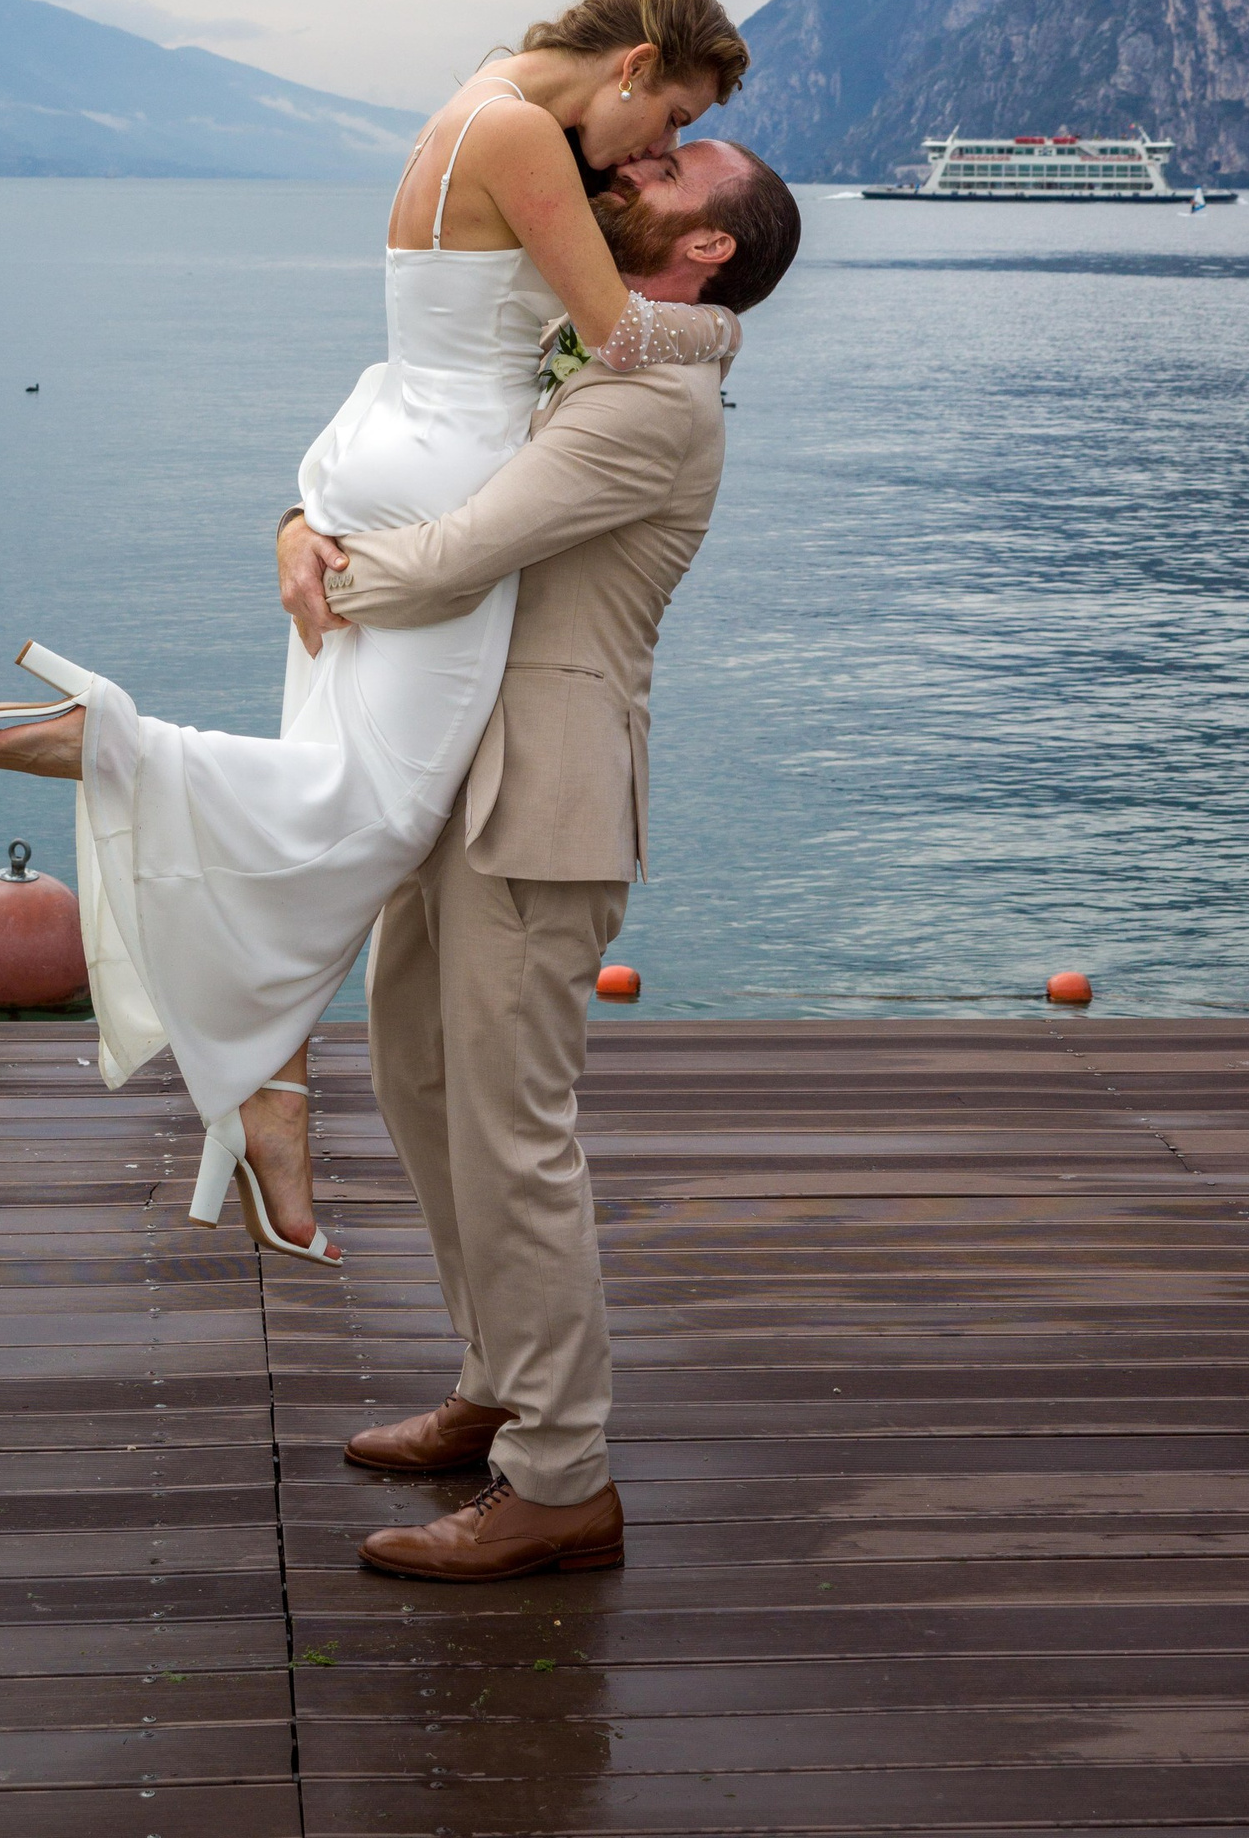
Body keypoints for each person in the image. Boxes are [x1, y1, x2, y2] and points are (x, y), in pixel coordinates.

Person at [0, 0, 753, 1260]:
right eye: (669, 120)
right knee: (375, 816)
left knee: (336, 786)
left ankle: (269, 1083)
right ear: (635, 63)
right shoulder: (528, 135)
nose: (653, 152)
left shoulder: (466, 110)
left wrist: (293, 519)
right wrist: (723, 344)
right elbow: (617, 338)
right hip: (444, 481)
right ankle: (113, 754)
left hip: (369, 445)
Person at [277, 131, 803, 1581]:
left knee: (512, 1130)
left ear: (710, 246)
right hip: (455, 776)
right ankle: (499, 1379)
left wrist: (316, 573)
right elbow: (404, 433)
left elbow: (452, 554)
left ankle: (561, 1472)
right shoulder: (593, 346)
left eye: (676, 164)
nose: (634, 165)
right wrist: (299, 516)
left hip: (543, 794)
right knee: (418, 1077)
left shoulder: (650, 404)